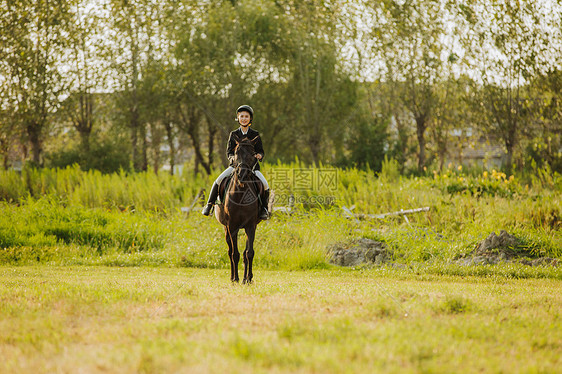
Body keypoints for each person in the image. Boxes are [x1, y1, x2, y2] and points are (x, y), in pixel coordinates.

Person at [202, 105, 270, 219]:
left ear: (250, 119)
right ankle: (209, 205)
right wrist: (232, 158)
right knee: (218, 180)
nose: (244, 118)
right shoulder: (233, 134)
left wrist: (260, 155)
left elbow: (261, 151)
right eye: (241, 116)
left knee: (265, 184)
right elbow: (229, 152)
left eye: (246, 116)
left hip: (252, 167)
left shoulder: (255, 134)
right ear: (238, 118)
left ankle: (264, 209)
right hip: (236, 166)